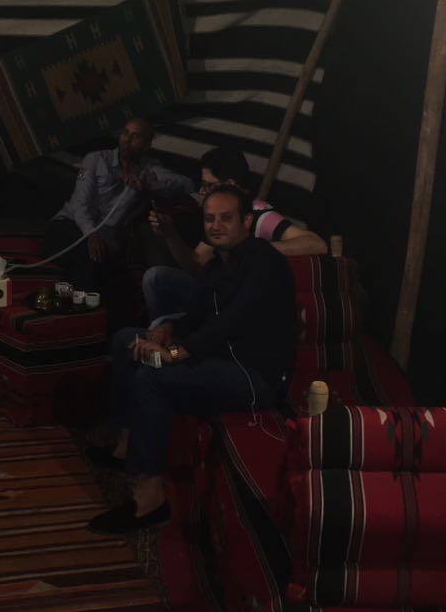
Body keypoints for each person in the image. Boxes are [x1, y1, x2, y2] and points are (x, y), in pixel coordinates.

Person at [87, 184, 296, 534]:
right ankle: (125, 447)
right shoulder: (218, 264)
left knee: (153, 376)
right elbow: (198, 314)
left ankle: (150, 498)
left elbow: (234, 320)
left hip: (254, 375)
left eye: (226, 218)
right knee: (126, 340)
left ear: (246, 221)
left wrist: (175, 352)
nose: (216, 226)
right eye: (210, 219)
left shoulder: (265, 262)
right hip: (219, 358)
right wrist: (167, 328)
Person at [142, 144, 326, 323]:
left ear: (230, 184)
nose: (203, 192)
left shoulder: (258, 214)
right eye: (203, 186)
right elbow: (196, 263)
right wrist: (170, 233)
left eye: (209, 185)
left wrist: (253, 250)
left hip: (241, 305)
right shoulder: (217, 213)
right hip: (216, 293)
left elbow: (316, 244)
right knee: (155, 279)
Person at [41, 117, 194, 294]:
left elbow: (187, 184)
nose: (127, 140)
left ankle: (80, 302)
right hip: (71, 224)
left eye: (136, 136)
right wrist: (91, 234)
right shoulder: (96, 160)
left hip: (107, 238)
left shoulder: (148, 169)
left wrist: (148, 183)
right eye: (125, 133)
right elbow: (81, 205)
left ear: (146, 146)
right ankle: (81, 302)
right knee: (90, 255)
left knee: (97, 261)